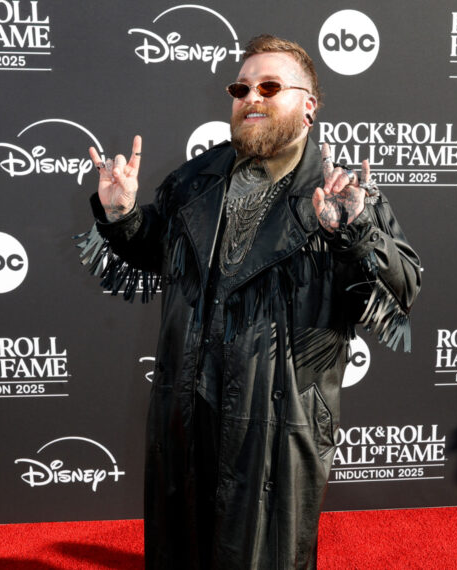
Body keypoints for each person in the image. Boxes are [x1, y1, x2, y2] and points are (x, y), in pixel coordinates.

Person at [77, 34, 421, 569]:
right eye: (242, 87)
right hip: (187, 404)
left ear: (309, 105)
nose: (251, 97)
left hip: (277, 414)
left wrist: (354, 234)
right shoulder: (193, 179)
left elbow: (402, 289)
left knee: (263, 555)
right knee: (180, 546)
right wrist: (123, 218)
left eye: (269, 86)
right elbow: (161, 256)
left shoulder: (340, 192)